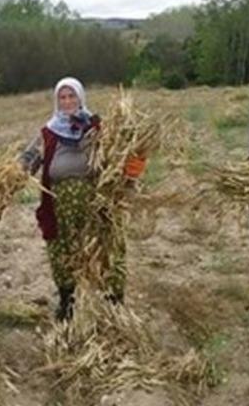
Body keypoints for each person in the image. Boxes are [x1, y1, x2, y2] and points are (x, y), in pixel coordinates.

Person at [20, 77, 146, 320]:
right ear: (57, 101)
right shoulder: (48, 132)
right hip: (60, 203)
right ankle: (68, 300)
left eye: (72, 96)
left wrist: (133, 167)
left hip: (96, 200)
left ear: (81, 98)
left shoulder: (98, 127)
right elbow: (29, 158)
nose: (67, 102)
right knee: (63, 250)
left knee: (107, 247)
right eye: (62, 97)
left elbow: (124, 155)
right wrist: (15, 172)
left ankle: (113, 302)